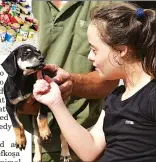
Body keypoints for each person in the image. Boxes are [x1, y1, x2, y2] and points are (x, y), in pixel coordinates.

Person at [33, 1, 156, 162]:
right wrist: (56, 103)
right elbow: (90, 150)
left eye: (94, 50)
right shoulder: (116, 97)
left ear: (121, 51)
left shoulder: (151, 96)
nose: (90, 57)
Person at [29, 1, 118, 161]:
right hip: (14, 144)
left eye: (94, 50)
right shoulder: (12, 4)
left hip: (82, 146)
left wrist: (71, 83)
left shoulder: (107, 4)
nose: (91, 55)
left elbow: (113, 78)